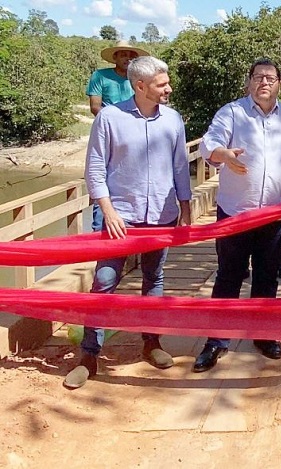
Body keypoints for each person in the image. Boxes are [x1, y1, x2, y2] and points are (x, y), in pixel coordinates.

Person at [192, 58, 281, 373]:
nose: (264, 82)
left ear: (280, 83)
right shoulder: (232, 113)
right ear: (249, 82)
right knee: (228, 276)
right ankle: (216, 340)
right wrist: (222, 154)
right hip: (235, 214)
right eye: (258, 77)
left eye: (270, 77)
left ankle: (263, 334)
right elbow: (209, 144)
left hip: (276, 215)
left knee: (267, 277)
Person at [64, 56, 192, 389]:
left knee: (155, 278)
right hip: (120, 217)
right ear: (140, 86)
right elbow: (95, 168)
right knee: (105, 281)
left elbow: (181, 166)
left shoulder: (173, 120)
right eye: (162, 84)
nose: (169, 88)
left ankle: (152, 343)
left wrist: (186, 207)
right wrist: (107, 210)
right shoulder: (109, 118)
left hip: (162, 216)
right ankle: (89, 355)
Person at [86, 40, 150, 232]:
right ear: (115, 57)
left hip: (138, 134)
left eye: (131, 55)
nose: (127, 58)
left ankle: (136, 226)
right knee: (101, 173)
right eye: (123, 54)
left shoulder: (140, 80)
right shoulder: (100, 76)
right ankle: (101, 228)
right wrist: (117, 120)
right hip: (109, 133)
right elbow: (95, 106)